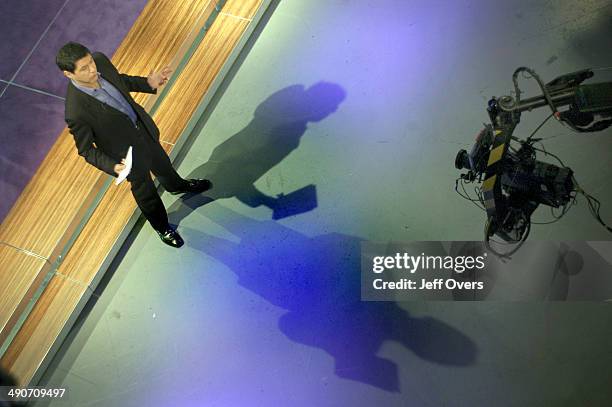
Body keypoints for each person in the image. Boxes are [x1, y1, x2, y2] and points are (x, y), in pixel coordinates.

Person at [56, 42, 210, 248]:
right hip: (125, 155)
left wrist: (148, 83)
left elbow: (120, 82)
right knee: (146, 193)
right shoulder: (75, 111)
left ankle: (177, 186)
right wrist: (113, 166)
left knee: (163, 164)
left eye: (90, 62)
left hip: (143, 130)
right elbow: (86, 150)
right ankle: (162, 227)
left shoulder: (100, 60)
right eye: (84, 68)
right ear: (69, 74)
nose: (93, 69)